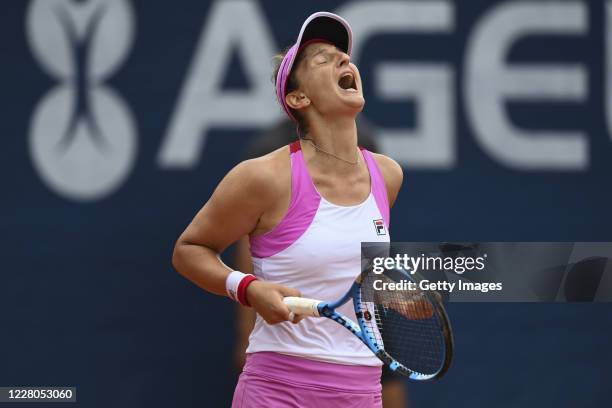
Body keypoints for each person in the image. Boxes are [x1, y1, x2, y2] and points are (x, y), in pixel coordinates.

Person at [172, 11, 403, 408]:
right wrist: (248, 289)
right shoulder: (263, 177)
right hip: (278, 391)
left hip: (361, 394)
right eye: (323, 59)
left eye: (343, 56)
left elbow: (359, 274)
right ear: (299, 98)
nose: (344, 61)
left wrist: (398, 294)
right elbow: (189, 250)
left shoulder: (387, 175)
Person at [232, 118, 408, 408]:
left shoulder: (373, 154)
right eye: (324, 67)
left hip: (361, 337)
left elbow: (368, 238)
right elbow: (246, 244)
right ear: (296, 94)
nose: (343, 70)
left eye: (344, 67)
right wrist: (246, 323)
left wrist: (390, 293)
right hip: (287, 353)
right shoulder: (267, 152)